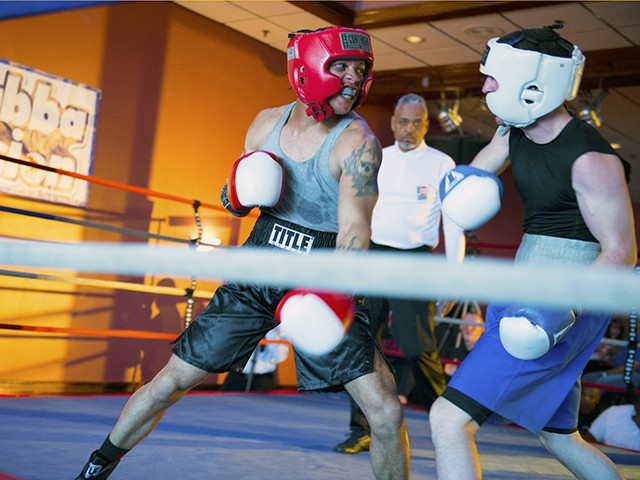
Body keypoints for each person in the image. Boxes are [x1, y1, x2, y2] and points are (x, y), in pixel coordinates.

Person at [74, 26, 410, 480]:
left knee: (385, 411)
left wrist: (336, 291)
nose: (354, 78)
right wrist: (235, 195)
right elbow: (236, 201)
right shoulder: (266, 124)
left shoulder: (358, 143)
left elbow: (355, 227)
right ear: (308, 69)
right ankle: (97, 466)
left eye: (361, 69)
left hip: (321, 274)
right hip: (258, 267)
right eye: (342, 66)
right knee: (169, 383)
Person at [429, 24, 637, 480]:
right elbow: (468, 183)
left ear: (533, 82)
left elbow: (621, 250)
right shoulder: (513, 133)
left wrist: (562, 308)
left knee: (448, 419)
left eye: (494, 77)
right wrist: (457, 191)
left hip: (565, 295)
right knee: (560, 436)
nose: (484, 87)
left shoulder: (590, 158)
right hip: (525, 277)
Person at [334, 93, 465, 454]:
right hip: (371, 257)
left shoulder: (443, 163)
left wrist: (454, 275)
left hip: (414, 261)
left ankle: (449, 431)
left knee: (419, 348)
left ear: (426, 124)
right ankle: (361, 429)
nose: (409, 129)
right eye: (403, 122)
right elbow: (349, 207)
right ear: (392, 122)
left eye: (417, 122)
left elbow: (454, 221)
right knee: (360, 345)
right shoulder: (374, 156)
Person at [219, 327, 290, 392]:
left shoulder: (279, 329)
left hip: (263, 380)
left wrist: (270, 331)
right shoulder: (241, 322)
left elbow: (279, 357)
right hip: (236, 377)